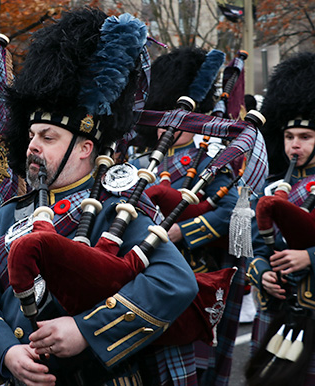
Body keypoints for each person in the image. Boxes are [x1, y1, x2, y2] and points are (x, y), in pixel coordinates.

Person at [0, 8, 198, 386]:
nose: (33, 147)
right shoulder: (6, 215)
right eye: (33, 136)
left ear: (85, 147)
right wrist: (7, 350)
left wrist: (85, 330)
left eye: (48, 138)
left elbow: (174, 281)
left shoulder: (117, 207)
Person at [135, 47, 245, 386]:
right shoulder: (141, 162)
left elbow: (233, 214)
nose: (166, 123)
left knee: (193, 371)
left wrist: (180, 233)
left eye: (173, 114)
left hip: (193, 275)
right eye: (162, 112)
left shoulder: (209, 157)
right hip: (144, 278)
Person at [246, 52, 315, 386]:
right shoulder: (271, 186)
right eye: (289, 137)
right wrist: (262, 274)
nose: (295, 145)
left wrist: (309, 257)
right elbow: (250, 247)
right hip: (277, 308)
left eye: (305, 137)